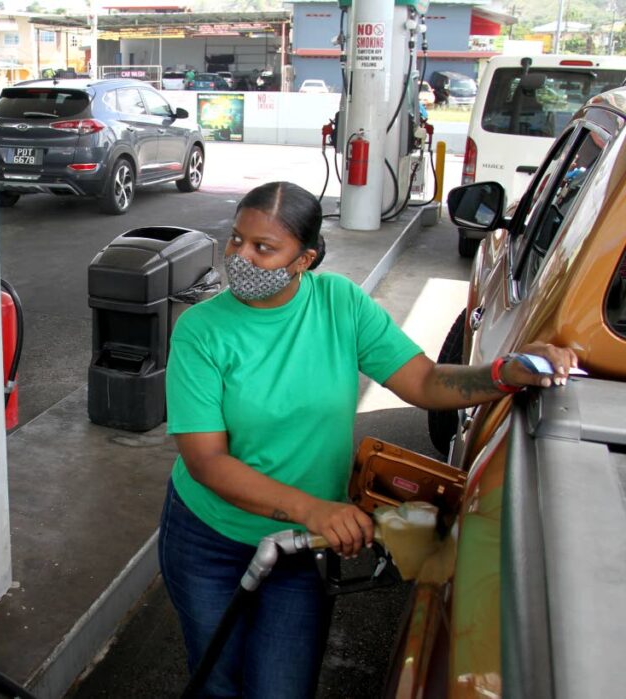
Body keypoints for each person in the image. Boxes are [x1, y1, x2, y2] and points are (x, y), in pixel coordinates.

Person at [158, 181, 577, 698]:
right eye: (236, 240)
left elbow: (422, 381)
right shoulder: (201, 329)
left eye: (264, 248)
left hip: (299, 550)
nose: (240, 256)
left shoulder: (341, 306)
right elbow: (206, 462)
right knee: (217, 681)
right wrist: (314, 509)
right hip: (209, 542)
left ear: (304, 259)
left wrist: (503, 374)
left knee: (280, 689)